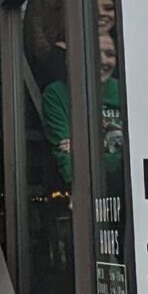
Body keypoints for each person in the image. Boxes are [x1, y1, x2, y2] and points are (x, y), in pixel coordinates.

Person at [41, 32, 123, 189]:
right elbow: (70, 165)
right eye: (95, 53)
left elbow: (137, 155)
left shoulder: (125, 90)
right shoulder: (56, 94)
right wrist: (118, 153)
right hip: (86, 195)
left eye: (110, 54)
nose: (103, 61)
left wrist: (84, 150)